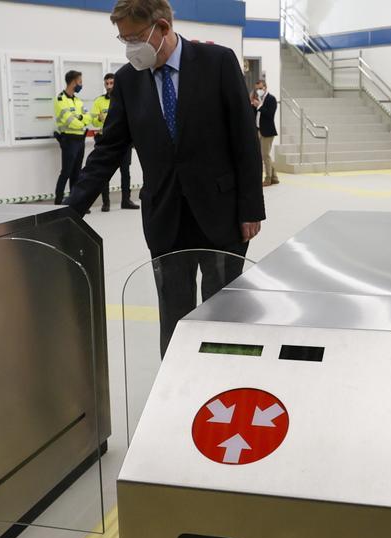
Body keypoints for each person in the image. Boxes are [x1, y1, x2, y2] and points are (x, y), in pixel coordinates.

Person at [65, 0, 264, 354]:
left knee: (225, 311)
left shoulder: (217, 63)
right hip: (164, 215)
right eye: (123, 39)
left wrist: (251, 207)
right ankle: (177, 391)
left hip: (222, 212)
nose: (130, 48)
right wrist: (72, 208)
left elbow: (245, 139)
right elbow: (109, 148)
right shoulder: (128, 80)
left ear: (163, 28)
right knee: (174, 314)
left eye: (136, 37)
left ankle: (225, 387)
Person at [91, 73, 140, 212]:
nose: (109, 86)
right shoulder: (99, 101)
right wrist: (99, 119)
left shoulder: (125, 100)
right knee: (105, 172)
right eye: (107, 83)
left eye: (111, 83)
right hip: (106, 141)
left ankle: (126, 200)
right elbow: (93, 121)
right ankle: (106, 203)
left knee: (125, 172)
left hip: (124, 142)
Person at [54, 70, 90, 206]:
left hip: (80, 140)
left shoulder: (78, 101)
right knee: (66, 173)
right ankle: (58, 203)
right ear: (73, 82)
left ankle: (74, 203)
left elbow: (88, 118)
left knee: (77, 173)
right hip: (69, 141)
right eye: (80, 82)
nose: (81, 84)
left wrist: (80, 118)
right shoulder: (60, 100)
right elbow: (70, 122)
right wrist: (81, 120)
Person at [252, 79, 278, 186]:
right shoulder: (257, 98)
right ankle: (275, 177)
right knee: (264, 155)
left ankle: (268, 179)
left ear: (265, 87)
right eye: (257, 89)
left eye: (260, 88)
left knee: (265, 155)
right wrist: (252, 106)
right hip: (258, 130)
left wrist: (259, 106)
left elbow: (269, 114)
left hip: (268, 131)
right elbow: (256, 115)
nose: (258, 90)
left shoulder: (271, 99)